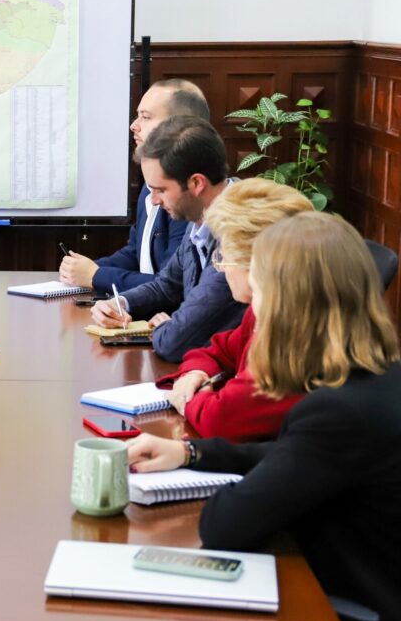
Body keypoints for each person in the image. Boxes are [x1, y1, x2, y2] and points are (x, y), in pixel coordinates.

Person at [127, 213, 401, 621]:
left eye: (261, 294)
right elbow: (292, 459)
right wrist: (191, 452)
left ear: (288, 305)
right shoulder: (372, 379)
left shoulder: (335, 413)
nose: (255, 311)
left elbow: (223, 526)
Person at [157, 178, 313, 441]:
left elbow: (220, 419)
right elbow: (214, 350)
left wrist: (194, 396)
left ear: (255, 261)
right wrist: (196, 373)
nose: (219, 266)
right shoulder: (259, 311)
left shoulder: (292, 333)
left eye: (223, 256)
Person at [91, 116, 246, 362]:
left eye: (160, 190)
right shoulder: (200, 217)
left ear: (196, 183)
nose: (153, 201)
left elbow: (176, 342)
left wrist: (165, 327)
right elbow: (166, 286)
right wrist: (119, 303)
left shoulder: (240, 230)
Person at [59, 79, 202, 291]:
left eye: (145, 117)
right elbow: (137, 252)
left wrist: (97, 275)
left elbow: (171, 285)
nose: (133, 126)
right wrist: (86, 269)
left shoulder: (187, 194)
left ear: (179, 127)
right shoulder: (151, 185)